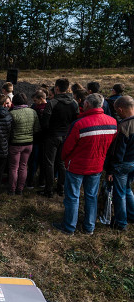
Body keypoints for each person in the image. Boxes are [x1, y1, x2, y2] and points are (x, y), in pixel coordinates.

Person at [53, 93, 117, 235]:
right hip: (97, 165)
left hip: (77, 166)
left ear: (87, 104)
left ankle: (69, 227)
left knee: (72, 196)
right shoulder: (113, 122)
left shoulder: (79, 124)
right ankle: (89, 227)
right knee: (91, 196)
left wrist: (65, 159)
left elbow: (67, 147)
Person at [39, 78, 78, 198]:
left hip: (52, 136)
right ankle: (61, 188)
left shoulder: (52, 103)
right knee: (62, 163)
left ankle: (48, 190)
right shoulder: (74, 103)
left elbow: (45, 122)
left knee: (49, 163)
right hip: (66, 136)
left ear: (56, 88)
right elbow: (75, 121)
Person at [106, 95, 134, 232]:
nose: (116, 113)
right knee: (128, 189)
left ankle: (121, 223)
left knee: (120, 193)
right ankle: (132, 215)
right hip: (133, 163)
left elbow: (118, 152)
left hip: (123, 164)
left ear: (121, 109)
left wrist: (111, 170)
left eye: (117, 110)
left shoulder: (123, 126)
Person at [7, 93, 40, 195]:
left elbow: (9, 130)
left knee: (14, 167)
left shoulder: (12, 113)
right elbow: (37, 128)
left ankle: (12, 189)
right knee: (23, 166)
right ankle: (20, 189)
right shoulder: (33, 112)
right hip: (29, 143)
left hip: (15, 143)